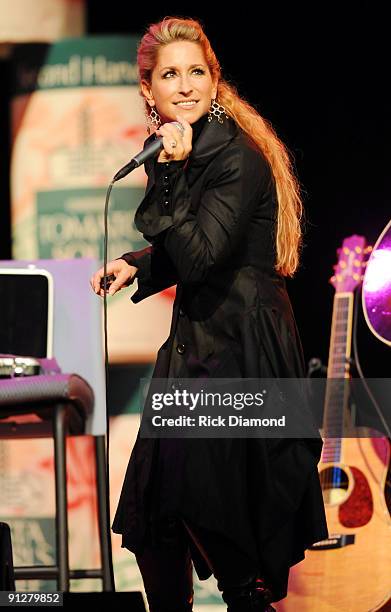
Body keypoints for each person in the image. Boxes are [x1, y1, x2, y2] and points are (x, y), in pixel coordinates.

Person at [91, 16, 328, 612]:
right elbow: (194, 247)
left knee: (226, 525)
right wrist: (139, 265)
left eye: (197, 71)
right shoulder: (188, 150)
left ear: (215, 79)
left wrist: (168, 174)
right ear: (150, 90)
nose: (186, 85)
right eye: (170, 75)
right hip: (198, 342)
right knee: (152, 517)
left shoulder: (234, 156)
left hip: (241, 345)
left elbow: (202, 255)